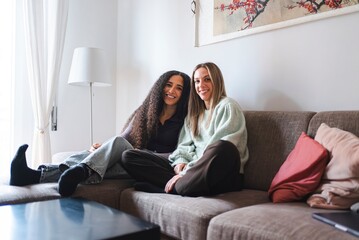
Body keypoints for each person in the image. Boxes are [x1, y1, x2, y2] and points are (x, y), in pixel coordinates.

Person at [10, 70, 191, 197]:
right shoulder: (145, 111)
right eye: (169, 85)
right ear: (160, 87)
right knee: (108, 154)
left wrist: (146, 154)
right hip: (131, 159)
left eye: (178, 88)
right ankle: (33, 176)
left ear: (184, 94)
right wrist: (102, 150)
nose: (172, 91)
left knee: (109, 158)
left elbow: (179, 153)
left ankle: (70, 171)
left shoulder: (186, 119)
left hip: (150, 167)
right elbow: (124, 139)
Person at [121, 62, 249, 197]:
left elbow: (219, 150)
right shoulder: (194, 114)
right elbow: (184, 145)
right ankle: (180, 186)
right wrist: (181, 161)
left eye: (207, 79)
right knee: (129, 156)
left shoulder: (228, 106)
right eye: (197, 81)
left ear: (217, 81)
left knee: (222, 147)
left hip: (223, 174)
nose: (201, 86)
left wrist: (185, 173)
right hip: (194, 172)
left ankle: (174, 187)